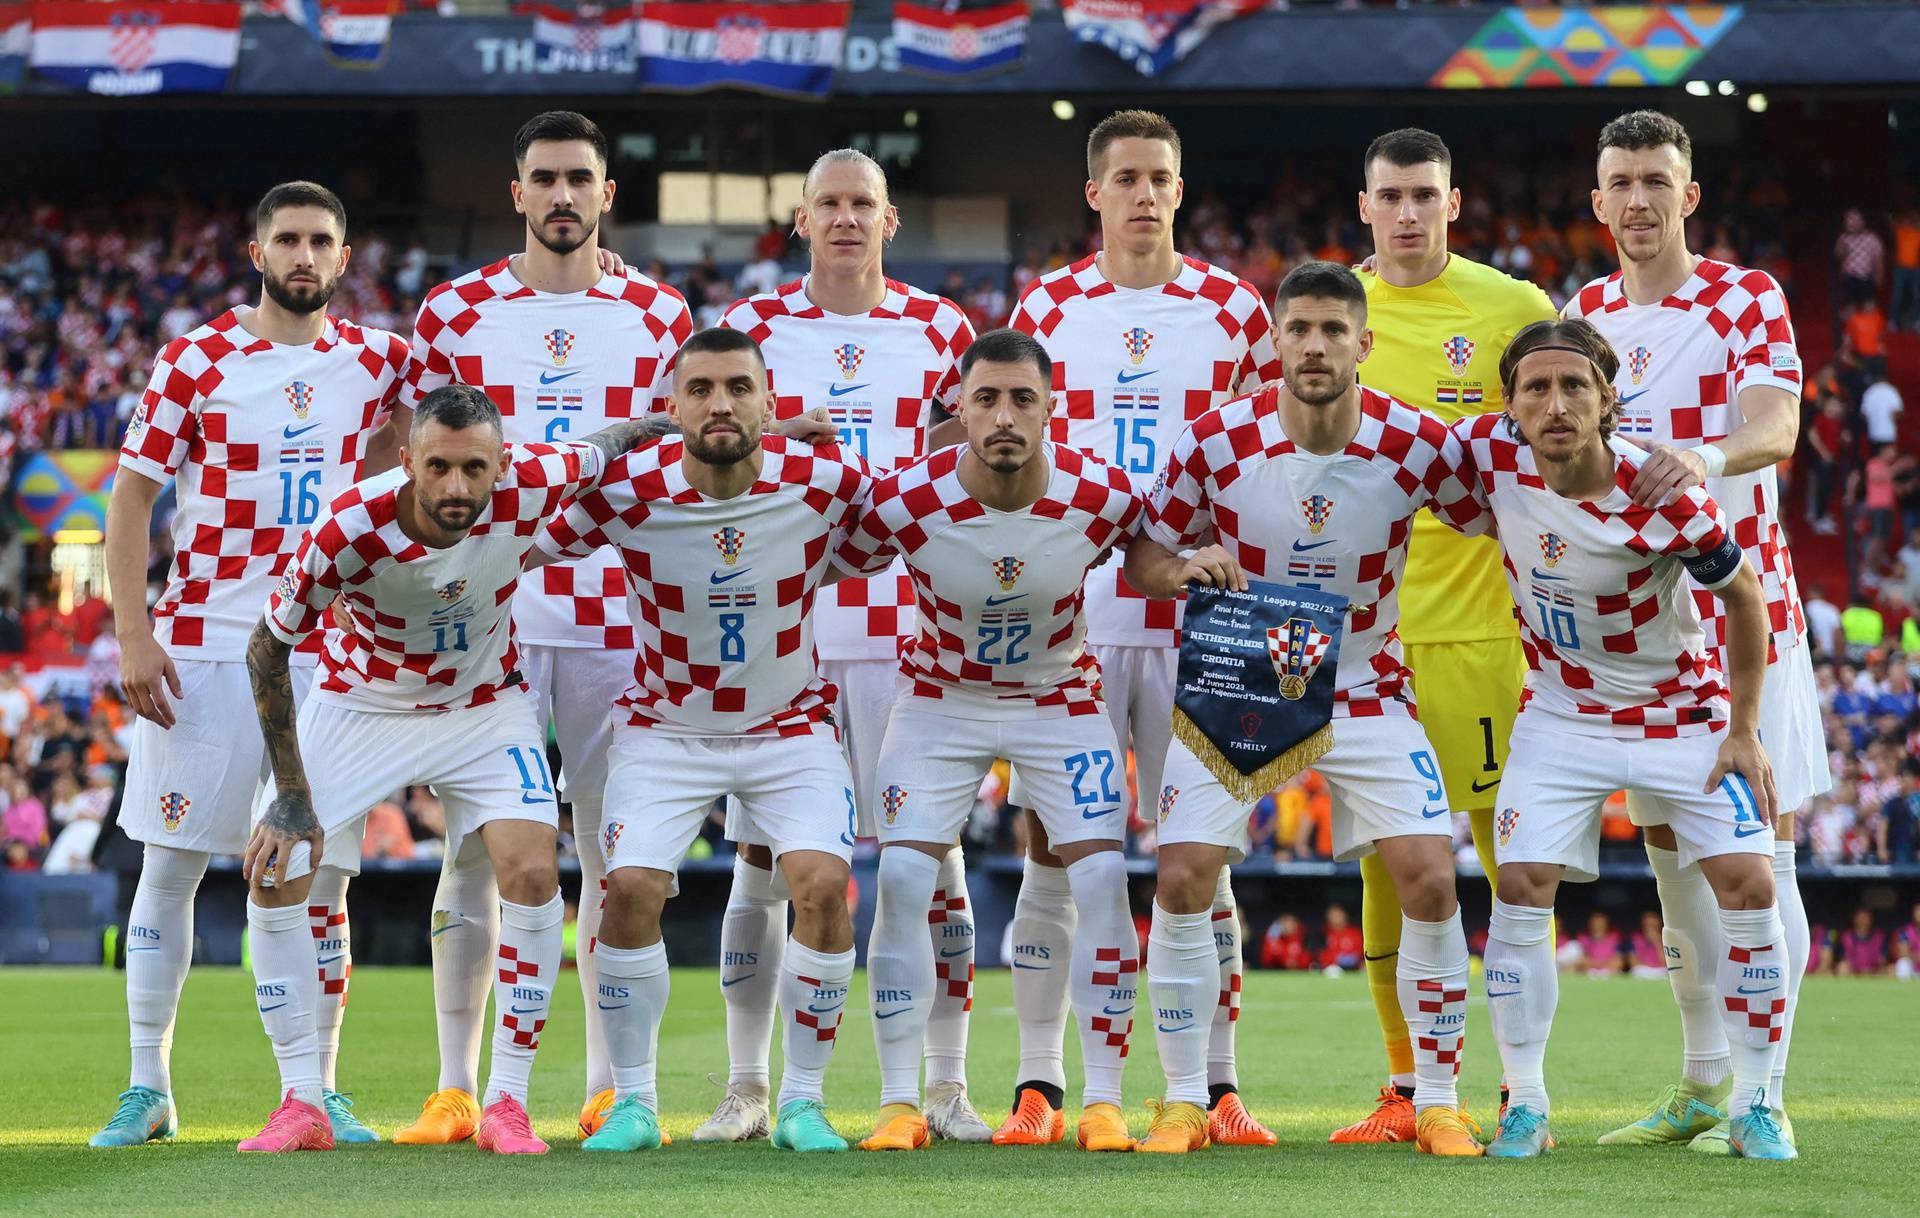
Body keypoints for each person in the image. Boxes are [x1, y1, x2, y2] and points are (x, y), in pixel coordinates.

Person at [1126, 261, 1487, 1157]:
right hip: (1246, 670)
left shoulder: (1417, 443)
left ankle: (1436, 1100)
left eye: (1333, 330)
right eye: (1299, 329)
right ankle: (1183, 1102)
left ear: (1365, 343)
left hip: (1368, 681)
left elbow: (1499, 511)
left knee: (1432, 878)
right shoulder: (1216, 440)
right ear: (1275, 342)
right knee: (1180, 879)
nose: (1315, 345)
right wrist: (1180, 571)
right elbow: (1144, 553)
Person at [238, 385, 654, 1154]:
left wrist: (714, 425)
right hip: (362, 703)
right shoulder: (348, 529)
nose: (458, 487)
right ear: (408, 464)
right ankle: (301, 1101)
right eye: (439, 468)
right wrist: (291, 792)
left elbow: (614, 439)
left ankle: (507, 1105)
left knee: (534, 872)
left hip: (482, 704)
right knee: (276, 870)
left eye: (474, 469)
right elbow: (267, 648)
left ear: (501, 462)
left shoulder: (533, 479)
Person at [89, 181, 408, 1150]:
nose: (304, 256)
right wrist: (135, 634)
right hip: (203, 648)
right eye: (288, 240)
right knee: (172, 865)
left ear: (344, 258)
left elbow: (432, 440)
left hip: (328, 657)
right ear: (257, 251)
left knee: (323, 877)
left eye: (321, 241)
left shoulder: (380, 361)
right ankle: (148, 1086)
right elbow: (132, 501)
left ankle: (316, 1091)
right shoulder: (197, 357)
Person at [396, 110, 694, 1144]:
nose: (562, 195)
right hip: (493, 613)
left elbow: (671, 464)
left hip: (622, 612)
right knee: (476, 850)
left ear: (608, 195)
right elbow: (425, 472)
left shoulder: (661, 313)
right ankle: (454, 1084)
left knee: (616, 856)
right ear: (515, 192)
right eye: (544, 179)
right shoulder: (453, 312)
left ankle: (609, 1082)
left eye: (580, 179)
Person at [1441, 318, 1793, 1161]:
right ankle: (1525, 1103)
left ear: (1608, 401)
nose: (1555, 404)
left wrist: (1743, 730)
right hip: (1563, 715)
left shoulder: (1661, 489)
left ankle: (1756, 1104)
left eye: (1574, 387)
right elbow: (1387, 461)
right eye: (1536, 388)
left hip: (1682, 711)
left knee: (1749, 885)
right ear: (1510, 405)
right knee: (1518, 881)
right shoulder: (1488, 457)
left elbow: (1744, 599)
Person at [1001, 108, 1282, 1149]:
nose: (1145, 193)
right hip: (1077, 612)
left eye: (1160, 176)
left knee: (1200, 858)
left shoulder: (1234, 308)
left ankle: (1214, 1087)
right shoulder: (1051, 303)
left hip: (1209, 613)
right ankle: (1042, 1086)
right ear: (1095, 193)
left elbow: (1267, 457)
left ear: (1179, 185)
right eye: (1125, 177)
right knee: (1055, 845)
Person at [532, 328, 871, 1156]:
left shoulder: (824, 483)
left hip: (790, 725)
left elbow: (916, 525)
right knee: (627, 891)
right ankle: (635, 1105)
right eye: (701, 389)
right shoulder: (628, 492)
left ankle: (801, 1103)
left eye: (738, 388)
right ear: (671, 406)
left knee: (824, 887)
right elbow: (524, 530)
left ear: (770, 401)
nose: (721, 403)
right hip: (665, 724)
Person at [706, 149, 986, 1144]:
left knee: (936, 856)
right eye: (828, 203)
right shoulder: (760, 332)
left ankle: (943, 1087)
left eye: (861, 204)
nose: (845, 220)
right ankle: (748, 1086)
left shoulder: (943, 329)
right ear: (800, 217)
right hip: (788, 636)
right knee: (760, 860)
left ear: (890, 219)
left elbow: (966, 477)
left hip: (915, 636)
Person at [1566, 110, 1822, 1156]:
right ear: (1596, 200)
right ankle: (1704, 1082)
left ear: (1689, 195)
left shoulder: (1741, 296)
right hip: (1636, 632)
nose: (1638, 199)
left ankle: (1769, 1094)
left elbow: (1778, 423)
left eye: (1656, 180)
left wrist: (1704, 461)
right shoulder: (1579, 313)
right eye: (1620, 181)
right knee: (1670, 849)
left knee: (1766, 850)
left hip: (1743, 611)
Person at [833, 328, 1145, 1154]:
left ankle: (1104, 1103)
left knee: (1106, 881)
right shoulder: (905, 497)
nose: (1004, 416)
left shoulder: (1102, 493)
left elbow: (1150, 559)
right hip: (941, 698)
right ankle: (902, 1103)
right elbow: (823, 557)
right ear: (957, 410)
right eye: (986, 399)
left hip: (1061, 697)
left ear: (1055, 411)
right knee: (902, 876)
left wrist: (1192, 567)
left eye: (1022, 399)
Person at [1339, 127, 1557, 1145]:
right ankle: (1402, 1088)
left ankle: (1519, 1091)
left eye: (1426, 194)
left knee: (1507, 859)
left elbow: (1561, 445)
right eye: (1393, 196)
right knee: (1387, 867)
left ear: (1456, 201)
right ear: (1365, 206)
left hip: (1481, 630)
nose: (1410, 213)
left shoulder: (1514, 309)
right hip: (1362, 640)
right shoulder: (1329, 311)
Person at [1835, 208, 1886, 310]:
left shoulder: (1872, 238)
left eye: (1854, 221)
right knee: (1850, 305)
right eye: (1848, 221)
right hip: (1849, 277)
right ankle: (1851, 325)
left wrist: (1879, 275)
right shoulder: (1843, 238)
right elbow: (1839, 257)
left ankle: (1868, 325)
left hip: (1866, 277)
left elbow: (1878, 258)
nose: (1851, 224)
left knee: (1869, 305)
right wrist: (1841, 249)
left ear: (1862, 222)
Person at [1835, 908, 1887, 976]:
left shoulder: (1879, 936)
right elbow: (1843, 959)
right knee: (1842, 967)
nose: (1862, 920)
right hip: (1852, 973)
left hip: (1874, 973)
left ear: (1871, 920)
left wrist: (1871, 971)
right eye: (1860, 917)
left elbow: (1882, 961)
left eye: (1865, 917)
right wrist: (1857, 971)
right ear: (1854, 919)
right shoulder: (1846, 936)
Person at [1861, 376, 1903, 448]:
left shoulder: (1869, 392)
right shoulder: (1892, 391)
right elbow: (1896, 412)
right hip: (1889, 433)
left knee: (1875, 455)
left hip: (1874, 433)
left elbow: (1864, 414)